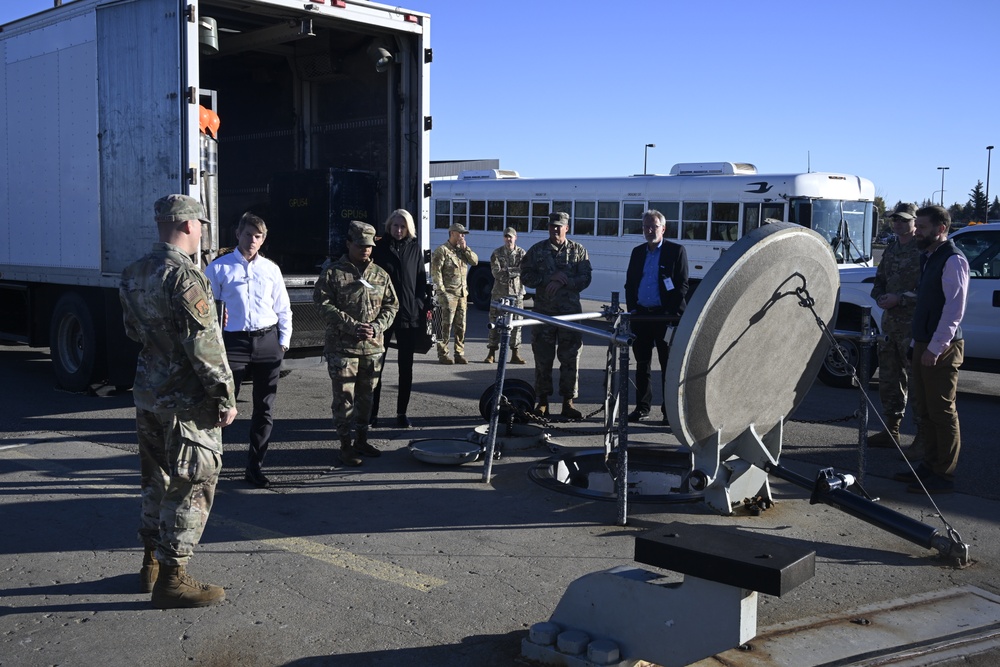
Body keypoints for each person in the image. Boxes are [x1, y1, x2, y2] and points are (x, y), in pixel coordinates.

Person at [119, 194, 237, 609]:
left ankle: (149, 564)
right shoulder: (185, 276)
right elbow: (203, 346)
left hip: (149, 393)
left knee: (156, 480)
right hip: (185, 401)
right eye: (200, 223)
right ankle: (173, 577)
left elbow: (134, 331)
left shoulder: (134, 272)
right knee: (194, 482)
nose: (202, 230)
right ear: (188, 225)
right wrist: (224, 396)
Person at [205, 213, 292, 488]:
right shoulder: (219, 268)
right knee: (221, 406)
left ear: (263, 239)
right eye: (247, 235)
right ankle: (209, 468)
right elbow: (205, 311)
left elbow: (283, 308)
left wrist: (283, 342)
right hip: (234, 344)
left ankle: (254, 467)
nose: (252, 240)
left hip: (267, 343)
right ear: (237, 235)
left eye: (258, 236)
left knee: (264, 409)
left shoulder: (271, 269)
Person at [894, 205, 968, 494]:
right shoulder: (930, 257)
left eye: (923, 227)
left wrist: (935, 347)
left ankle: (944, 474)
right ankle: (928, 466)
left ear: (941, 229)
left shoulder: (952, 260)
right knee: (925, 410)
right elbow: (925, 306)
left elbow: (953, 310)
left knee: (942, 411)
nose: (918, 232)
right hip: (925, 342)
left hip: (943, 346)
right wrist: (916, 344)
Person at [313, 221, 398, 466]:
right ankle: (345, 446)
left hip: (372, 347)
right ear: (349, 243)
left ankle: (361, 440)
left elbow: (392, 305)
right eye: (360, 245)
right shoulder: (333, 273)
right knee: (344, 399)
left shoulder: (380, 275)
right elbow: (323, 304)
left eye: (369, 246)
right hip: (342, 348)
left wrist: (378, 326)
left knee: (366, 398)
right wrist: (351, 325)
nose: (365, 250)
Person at [521, 211, 592, 420]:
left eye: (559, 226)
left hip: (570, 314)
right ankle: (542, 401)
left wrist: (564, 280)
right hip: (544, 313)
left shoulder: (578, 250)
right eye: (552, 226)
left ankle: (568, 402)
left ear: (566, 228)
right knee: (543, 358)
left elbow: (586, 278)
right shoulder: (537, 250)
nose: (554, 230)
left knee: (570, 358)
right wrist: (547, 278)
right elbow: (525, 275)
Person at [624, 209, 688, 425]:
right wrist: (632, 309)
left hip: (665, 319)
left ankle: (669, 413)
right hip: (641, 317)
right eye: (645, 227)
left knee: (668, 366)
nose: (649, 231)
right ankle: (642, 409)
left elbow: (681, 285)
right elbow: (630, 284)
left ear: (663, 228)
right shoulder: (638, 252)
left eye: (654, 226)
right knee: (642, 366)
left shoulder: (676, 251)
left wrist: (670, 313)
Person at [868, 203, 921, 448]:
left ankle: (923, 438)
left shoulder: (923, 251)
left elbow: (929, 291)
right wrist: (879, 295)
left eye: (903, 220)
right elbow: (880, 280)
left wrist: (900, 299)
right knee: (889, 379)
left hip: (914, 328)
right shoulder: (891, 249)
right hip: (890, 326)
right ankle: (892, 430)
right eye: (894, 220)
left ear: (914, 222)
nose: (898, 224)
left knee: (919, 383)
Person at [371, 209, 429, 428]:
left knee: (406, 368)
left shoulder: (414, 249)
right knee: (376, 366)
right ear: (389, 226)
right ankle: (372, 414)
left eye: (403, 226)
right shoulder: (380, 248)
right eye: (395, 225)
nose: (398, 230)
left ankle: (401, 413)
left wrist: (418, 303)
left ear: (409, 228)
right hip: (382, 316)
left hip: (408, 316)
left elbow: (421, 281)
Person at [431, 222, 478, 364]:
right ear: (452, 233)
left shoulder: (462, 250)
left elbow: (475, 262)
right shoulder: (442, 251)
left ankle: (459, 352)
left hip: (462, 294)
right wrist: (441, 292)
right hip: (448, 294)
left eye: (463, 234)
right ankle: (443, 353)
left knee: (461, 326)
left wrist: (466, 248)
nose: (462, 236)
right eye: (460, 233)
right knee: (444, 325)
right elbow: (436, 273)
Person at [484, 227, 527, 365]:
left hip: (517, 294)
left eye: (511, 237)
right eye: (506, 237)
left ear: (516, 237)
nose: (508, 239)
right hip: (499, 293)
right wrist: (514, 271)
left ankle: (515, 353)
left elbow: (524, 269)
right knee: (494, 322)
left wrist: (507, 271)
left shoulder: (521, 253)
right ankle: (491, 352)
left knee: (517, 324)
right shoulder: (496, 253)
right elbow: (496, 273)